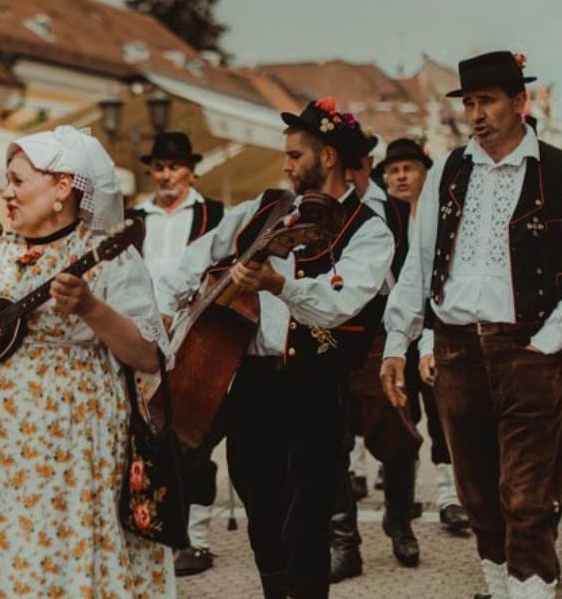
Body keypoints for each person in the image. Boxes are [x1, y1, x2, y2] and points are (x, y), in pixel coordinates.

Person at [0, 125, 175, 598]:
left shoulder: (108, 257)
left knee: (60, 549)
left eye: (18, 181)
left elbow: (148, 355)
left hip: (73, 442)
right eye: (6, 181)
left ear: (62, 188)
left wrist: (91, 308)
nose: (6, 193)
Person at [156, 98, 393, 598]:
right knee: (259, 507)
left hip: (317, 384)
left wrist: (278, 285)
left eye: (294, 155)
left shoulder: (369, 229)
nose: (285, 165)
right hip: (253, 379)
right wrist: (165, 311)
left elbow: (339, 303)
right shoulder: (263, 208)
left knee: (306, 518)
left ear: (328, 157)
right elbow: (196, 257)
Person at [382, 51, 562, 599]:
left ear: (519, 102)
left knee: (527, 494)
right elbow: (420, 263)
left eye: (487, 101)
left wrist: (549, 340)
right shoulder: (449, 170)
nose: (475, 114)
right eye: (469, 102)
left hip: (528, 347)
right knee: (476, 492)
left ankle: (531, 587)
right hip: (456, 351)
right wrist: (398, 342)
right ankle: (500, 585)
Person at [327, 129, 425, 582]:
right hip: (329, 332)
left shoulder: (396, 210)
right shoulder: (322, 207)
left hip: (381, 331)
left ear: (368, 163)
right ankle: (344, 542)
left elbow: (415, 271)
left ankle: (399, 522)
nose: (352, 171)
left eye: (359, 161)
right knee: (329, 437)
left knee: (397, 430)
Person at [126, 131, 223, 577]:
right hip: (142, 335)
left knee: (194, 439)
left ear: (191, 171)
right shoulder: (134, 218)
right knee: (146, 436)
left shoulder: (213, 214)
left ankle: (197, 540)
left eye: (175, 167)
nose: (167, 175)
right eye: (160, 167)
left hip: (195, 335)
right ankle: (155, 528)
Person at [376, 137, 469, 534]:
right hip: (397, 331)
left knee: (443, 414)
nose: (401, 177)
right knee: (402, 416)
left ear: (424, 174)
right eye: (393, 171)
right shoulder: (383, 223)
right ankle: (405, 496)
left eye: (408, 169)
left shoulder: (440, 214)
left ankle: (450, 497)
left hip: (439, 326)